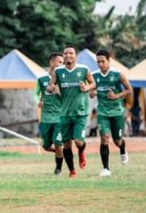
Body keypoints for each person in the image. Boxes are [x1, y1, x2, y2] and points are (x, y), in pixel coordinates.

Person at [48, 46, 95, 178]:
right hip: (64, 113)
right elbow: (50, 85)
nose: (68, 55)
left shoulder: (84, 69)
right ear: (63, 57)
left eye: (71, 53)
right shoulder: (58, 71)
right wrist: (50, 88)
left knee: (78, 142)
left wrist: (87, 87)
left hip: (80, 112)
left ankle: (81, 151)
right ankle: (72, 171)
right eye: (66, 53)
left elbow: (93, 83)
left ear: (76, 56)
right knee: (67, 143)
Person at [91, 49, 132, 176]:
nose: (100, 64)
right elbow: (90, 92)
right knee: (104, 138)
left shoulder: (118, 73)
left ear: (109, 60)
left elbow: (129, 90)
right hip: (102, 112)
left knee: (117, 140)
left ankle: (123, 148)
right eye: (98, 62)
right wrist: (91, 93)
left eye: (102, 61)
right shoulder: (94, 75)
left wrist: (117, 96)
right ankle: (106, 169)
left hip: (117, 112)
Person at [36, 52, 64, 174]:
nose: (61, 64)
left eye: (62, 63)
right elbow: (35, 93)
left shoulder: (63, 80)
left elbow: (69, 97)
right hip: (46, 118)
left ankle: (58, 168)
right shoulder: (41, 80)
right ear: (52, 63)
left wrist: (59, 92)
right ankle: (61, 153)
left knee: (58, 142)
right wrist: (38, 101)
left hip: (59, 117)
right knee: (46, 146)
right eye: (59, 62)